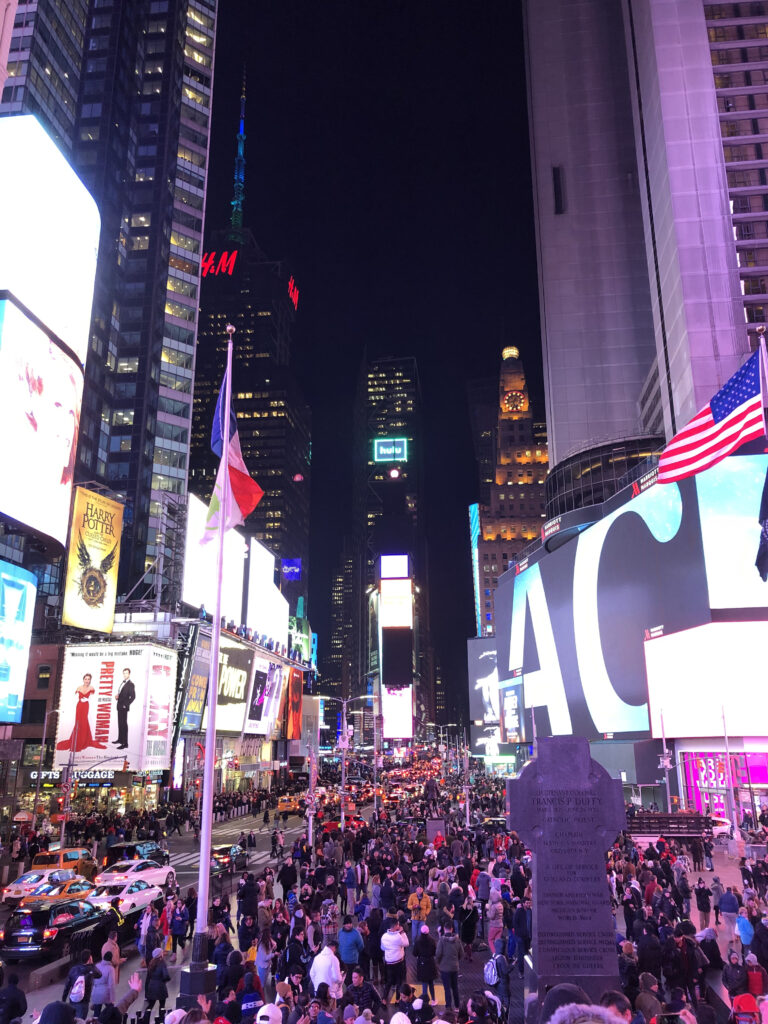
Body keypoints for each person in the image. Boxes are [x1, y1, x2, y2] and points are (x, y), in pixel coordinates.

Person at [56, 674, 106, 751]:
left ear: (90, 680)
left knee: (84, 721)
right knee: (78, 722)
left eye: (88, 679)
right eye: (86, 679)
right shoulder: (79, 687)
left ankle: (84, 740)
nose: (87, 680)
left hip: (86, 706)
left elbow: (94, 698)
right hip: (79, 706)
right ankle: (78, 740)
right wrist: (80, 699)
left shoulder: (91, 688)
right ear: (83, 680)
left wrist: (87, 700)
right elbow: (73, 697)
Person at [63, 949, 102, 1020]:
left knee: (72, 1020)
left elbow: (67, 986)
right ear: (89, 958)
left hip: (73, 1000)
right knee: (81, 1020)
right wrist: (92, 964)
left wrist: (63, 1000)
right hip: (83, 1001)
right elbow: (99, 974)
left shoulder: (73, 969)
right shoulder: (90, 970)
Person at [380, 915, 409, 1004]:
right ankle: (397, 999)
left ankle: (384, 999)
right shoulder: (398, 936)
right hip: (398, 962)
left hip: (388, 962)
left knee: (389, 981)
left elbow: (382, 948)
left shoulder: (384, 936)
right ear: (396, 925)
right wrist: (402, 932)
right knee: (398, 981)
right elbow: (406, 943)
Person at [435, 922, 462, 1012]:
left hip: (444, 968)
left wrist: (439, 963)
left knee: (447, 988)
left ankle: (448, 1007)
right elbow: (461, 953)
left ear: (444, 929)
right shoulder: (457, 940)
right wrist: (456, 960)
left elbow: (438, 954)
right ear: (452, 929)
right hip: (455, 968)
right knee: (455, 987)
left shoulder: (442, 940)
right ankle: (457, 1006)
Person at [143, 947, 170, 1023]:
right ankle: (161, 1020)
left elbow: (148, 977)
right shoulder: (162, 963)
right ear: (160, 955)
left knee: (150, 1005)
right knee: (162, 1005)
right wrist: (164, 981)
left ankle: (145, 1020)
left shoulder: (151, 963)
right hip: (160, 986)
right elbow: (166, 976)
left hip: (152, 986)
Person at [413, 924, 437, 1002]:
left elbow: (414, 953)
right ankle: (433, 999)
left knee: (424, 983)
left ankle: (424, 1001)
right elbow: (435, 952)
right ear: (428, 932)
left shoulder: (418, 941)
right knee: (431, 982)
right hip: (430, 962)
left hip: (421, 962)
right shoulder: (432, 940)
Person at [113, 667, 135, 749]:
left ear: (129, 674)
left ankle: (125, 743)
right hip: (119, 706)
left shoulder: (131, 684)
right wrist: (117, 696)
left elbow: (133, 697)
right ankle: (120, 739)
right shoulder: (123, 683)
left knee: (124, 724)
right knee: (120, 723)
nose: (125, 674)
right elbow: (122, 694)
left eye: (126, 673)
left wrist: (126, 704)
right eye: (124, 673)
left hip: (124, 707)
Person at [90, 950, 116, 1017]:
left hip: (96, 991)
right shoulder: (110, 968)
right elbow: (111, 984)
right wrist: (112, 999)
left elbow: (92, 980)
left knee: (96, 1013)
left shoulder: (97, 965)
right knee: (111, 1012)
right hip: (105, 992)